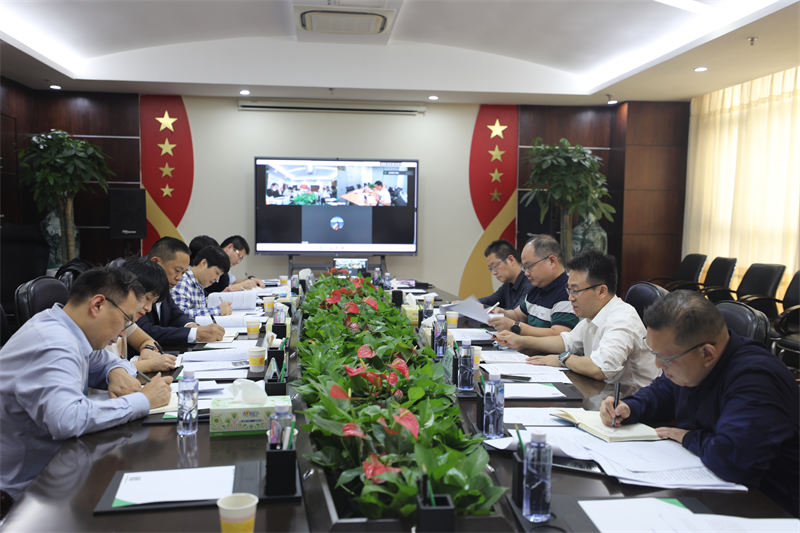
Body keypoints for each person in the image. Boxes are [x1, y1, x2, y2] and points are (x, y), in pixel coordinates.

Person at [599, 291, 799, 517]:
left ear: (707, 354)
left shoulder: (757, 379)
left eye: (665, 358)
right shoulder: (689, 364)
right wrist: (629, 407)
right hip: (712, 488)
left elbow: (733, 459)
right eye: (654, 353)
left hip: (769, 509)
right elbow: (662, 394)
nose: (658, 365)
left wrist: (689, 438)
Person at [0, 267, 173, 503]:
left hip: (62, 466)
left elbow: (106, 361)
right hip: (27, 491)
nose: (124, 333)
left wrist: (116, 370)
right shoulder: (53, 344)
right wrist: (143, 400)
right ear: (98, 305)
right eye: (125, 320)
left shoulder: (68, 328)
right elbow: (67, 419)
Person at [496, 250, 660, 392]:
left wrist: (562, 359)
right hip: (604, 396)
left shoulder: (623, 319)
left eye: (575, 291)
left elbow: (599, 368)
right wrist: (521, 340)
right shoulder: (593, 315)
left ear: (601, 291)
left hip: (632, 405)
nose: (570, 298)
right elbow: (566, 342)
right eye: (569, 290)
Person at [137, 237, 225, 345]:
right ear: (155, 262)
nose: (179, 278)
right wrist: (193, 333)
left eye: (183, 273)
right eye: (177, 270)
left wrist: (192, 326)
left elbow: (176, 315)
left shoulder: (165, 286)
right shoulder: (136, 285)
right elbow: (145, 331)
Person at [488, 235, 578, 339]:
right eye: (524, 267)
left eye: (529, 266)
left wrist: (515, 327)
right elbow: (518, 315)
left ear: (552, 261)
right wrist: (502, 313)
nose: (526, 273)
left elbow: (559, 335)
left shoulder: (568, 292)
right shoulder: (537, 286)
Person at [112, 257, 178, 372]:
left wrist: (147, 349)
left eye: (153, 302)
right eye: (147, 298)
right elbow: (108, 371)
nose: (148, 308)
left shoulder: (127, 321)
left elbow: (147, 340)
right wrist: (149, 364)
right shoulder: (104, 322)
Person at [171, 245, 232, 318]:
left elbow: (198, 307)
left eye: (220, 275)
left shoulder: (198, 283)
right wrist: (217, 310)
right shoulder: (183, 281)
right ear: (203, 263)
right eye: (217, 273)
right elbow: (179, 314)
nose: (217, 279)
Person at [477, 239, 532, 310]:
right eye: (491, 268)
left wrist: (480, 307)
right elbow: (490, 300)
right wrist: (468, 304)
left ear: (511, 260)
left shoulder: (530, 282)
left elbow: (517, 313)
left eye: (495, 266)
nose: (493, 272)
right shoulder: (508, 284)